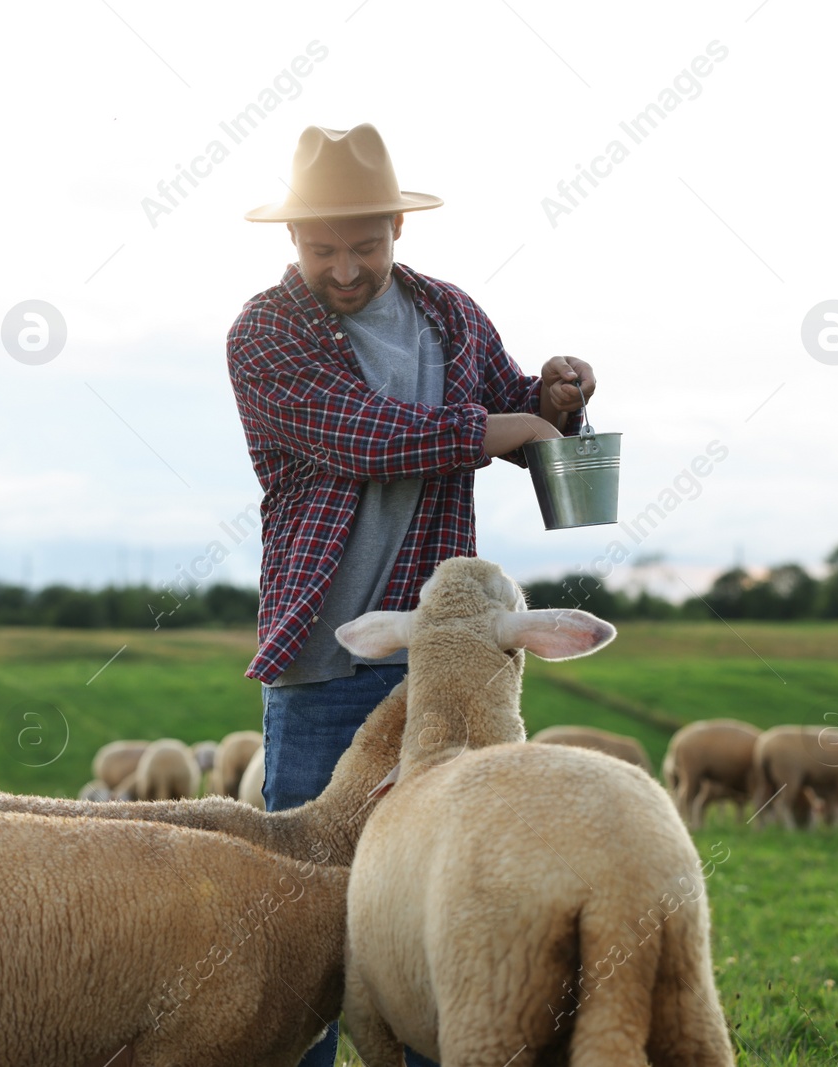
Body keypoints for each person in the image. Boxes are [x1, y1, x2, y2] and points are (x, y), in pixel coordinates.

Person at [224, 123, 597, 1066]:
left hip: (432, 664)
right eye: (321, 249)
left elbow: (516, 408)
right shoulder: (264, 334)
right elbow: (369, 436)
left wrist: (555, 402)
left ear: (396, 225)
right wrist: (505, 425)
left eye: (363, 245)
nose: (343, 269)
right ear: (292, 240)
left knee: (431, 892)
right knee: (305, 905)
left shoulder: (452, 316)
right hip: (320, 661)